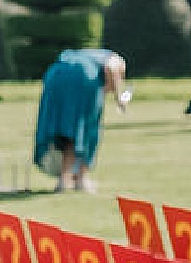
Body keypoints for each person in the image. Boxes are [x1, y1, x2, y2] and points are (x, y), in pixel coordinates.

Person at [32, 48, 129, 192]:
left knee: (65, 129)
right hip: (83, 77)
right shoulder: (116, 59)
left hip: (55, 75)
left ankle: (66, 179)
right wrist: (119, 97)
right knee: (84, 130)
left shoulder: (86, 55)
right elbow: (111, 68)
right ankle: (80, 180)